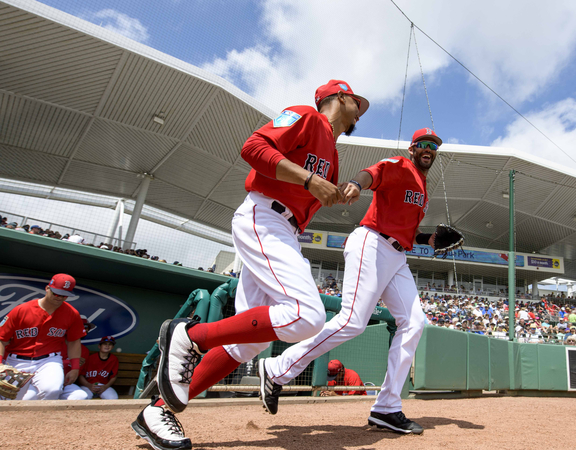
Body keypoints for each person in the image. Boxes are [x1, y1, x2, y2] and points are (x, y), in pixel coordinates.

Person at [132, 80, 368, 450]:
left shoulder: (334, 154)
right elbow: (253, 147)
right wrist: (310, 179)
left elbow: (309, 192)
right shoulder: (306, 116)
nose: (361, 109)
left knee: (248, 343)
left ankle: (159, 410)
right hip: (265, 217)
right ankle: (190, 336)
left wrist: (335, 191)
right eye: (358, 101)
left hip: (286, 228)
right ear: (339, 97)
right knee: (308, 316)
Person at [258, 127, 444, 436]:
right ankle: (276, 369)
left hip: (397, 255)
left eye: (434, 146)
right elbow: (373, 172)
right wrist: (357, 184)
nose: (428, 148)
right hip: (372, 243)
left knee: (414, 322)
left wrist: (432, 239)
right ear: (413, 149)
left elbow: (408, 234)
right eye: (423, 143)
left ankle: (387, 408)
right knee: (352, 322)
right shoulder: (401, 166)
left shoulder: (423, 187)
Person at [0, 274, 85, 400]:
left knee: (53, 390)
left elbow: (74, 341)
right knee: (17, 400)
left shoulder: (72, 314)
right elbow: (2, 339)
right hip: (17, 361)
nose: (59, 297)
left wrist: (75, 368)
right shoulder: (21, 310)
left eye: (64, 295)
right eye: (56, 293)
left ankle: (41, 420)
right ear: (47, 288)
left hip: (48, 360)